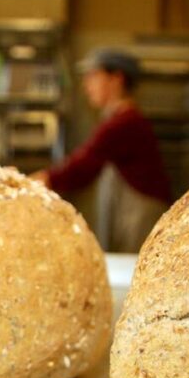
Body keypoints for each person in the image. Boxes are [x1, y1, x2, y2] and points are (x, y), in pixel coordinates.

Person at [32, 48, 171, 252]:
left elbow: (83, 166)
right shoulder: (120, 118)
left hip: (142, 216)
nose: (86, 85)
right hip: (133, 212)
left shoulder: (125, 122)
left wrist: (39, 181)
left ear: (116, 79)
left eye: (93, 76)